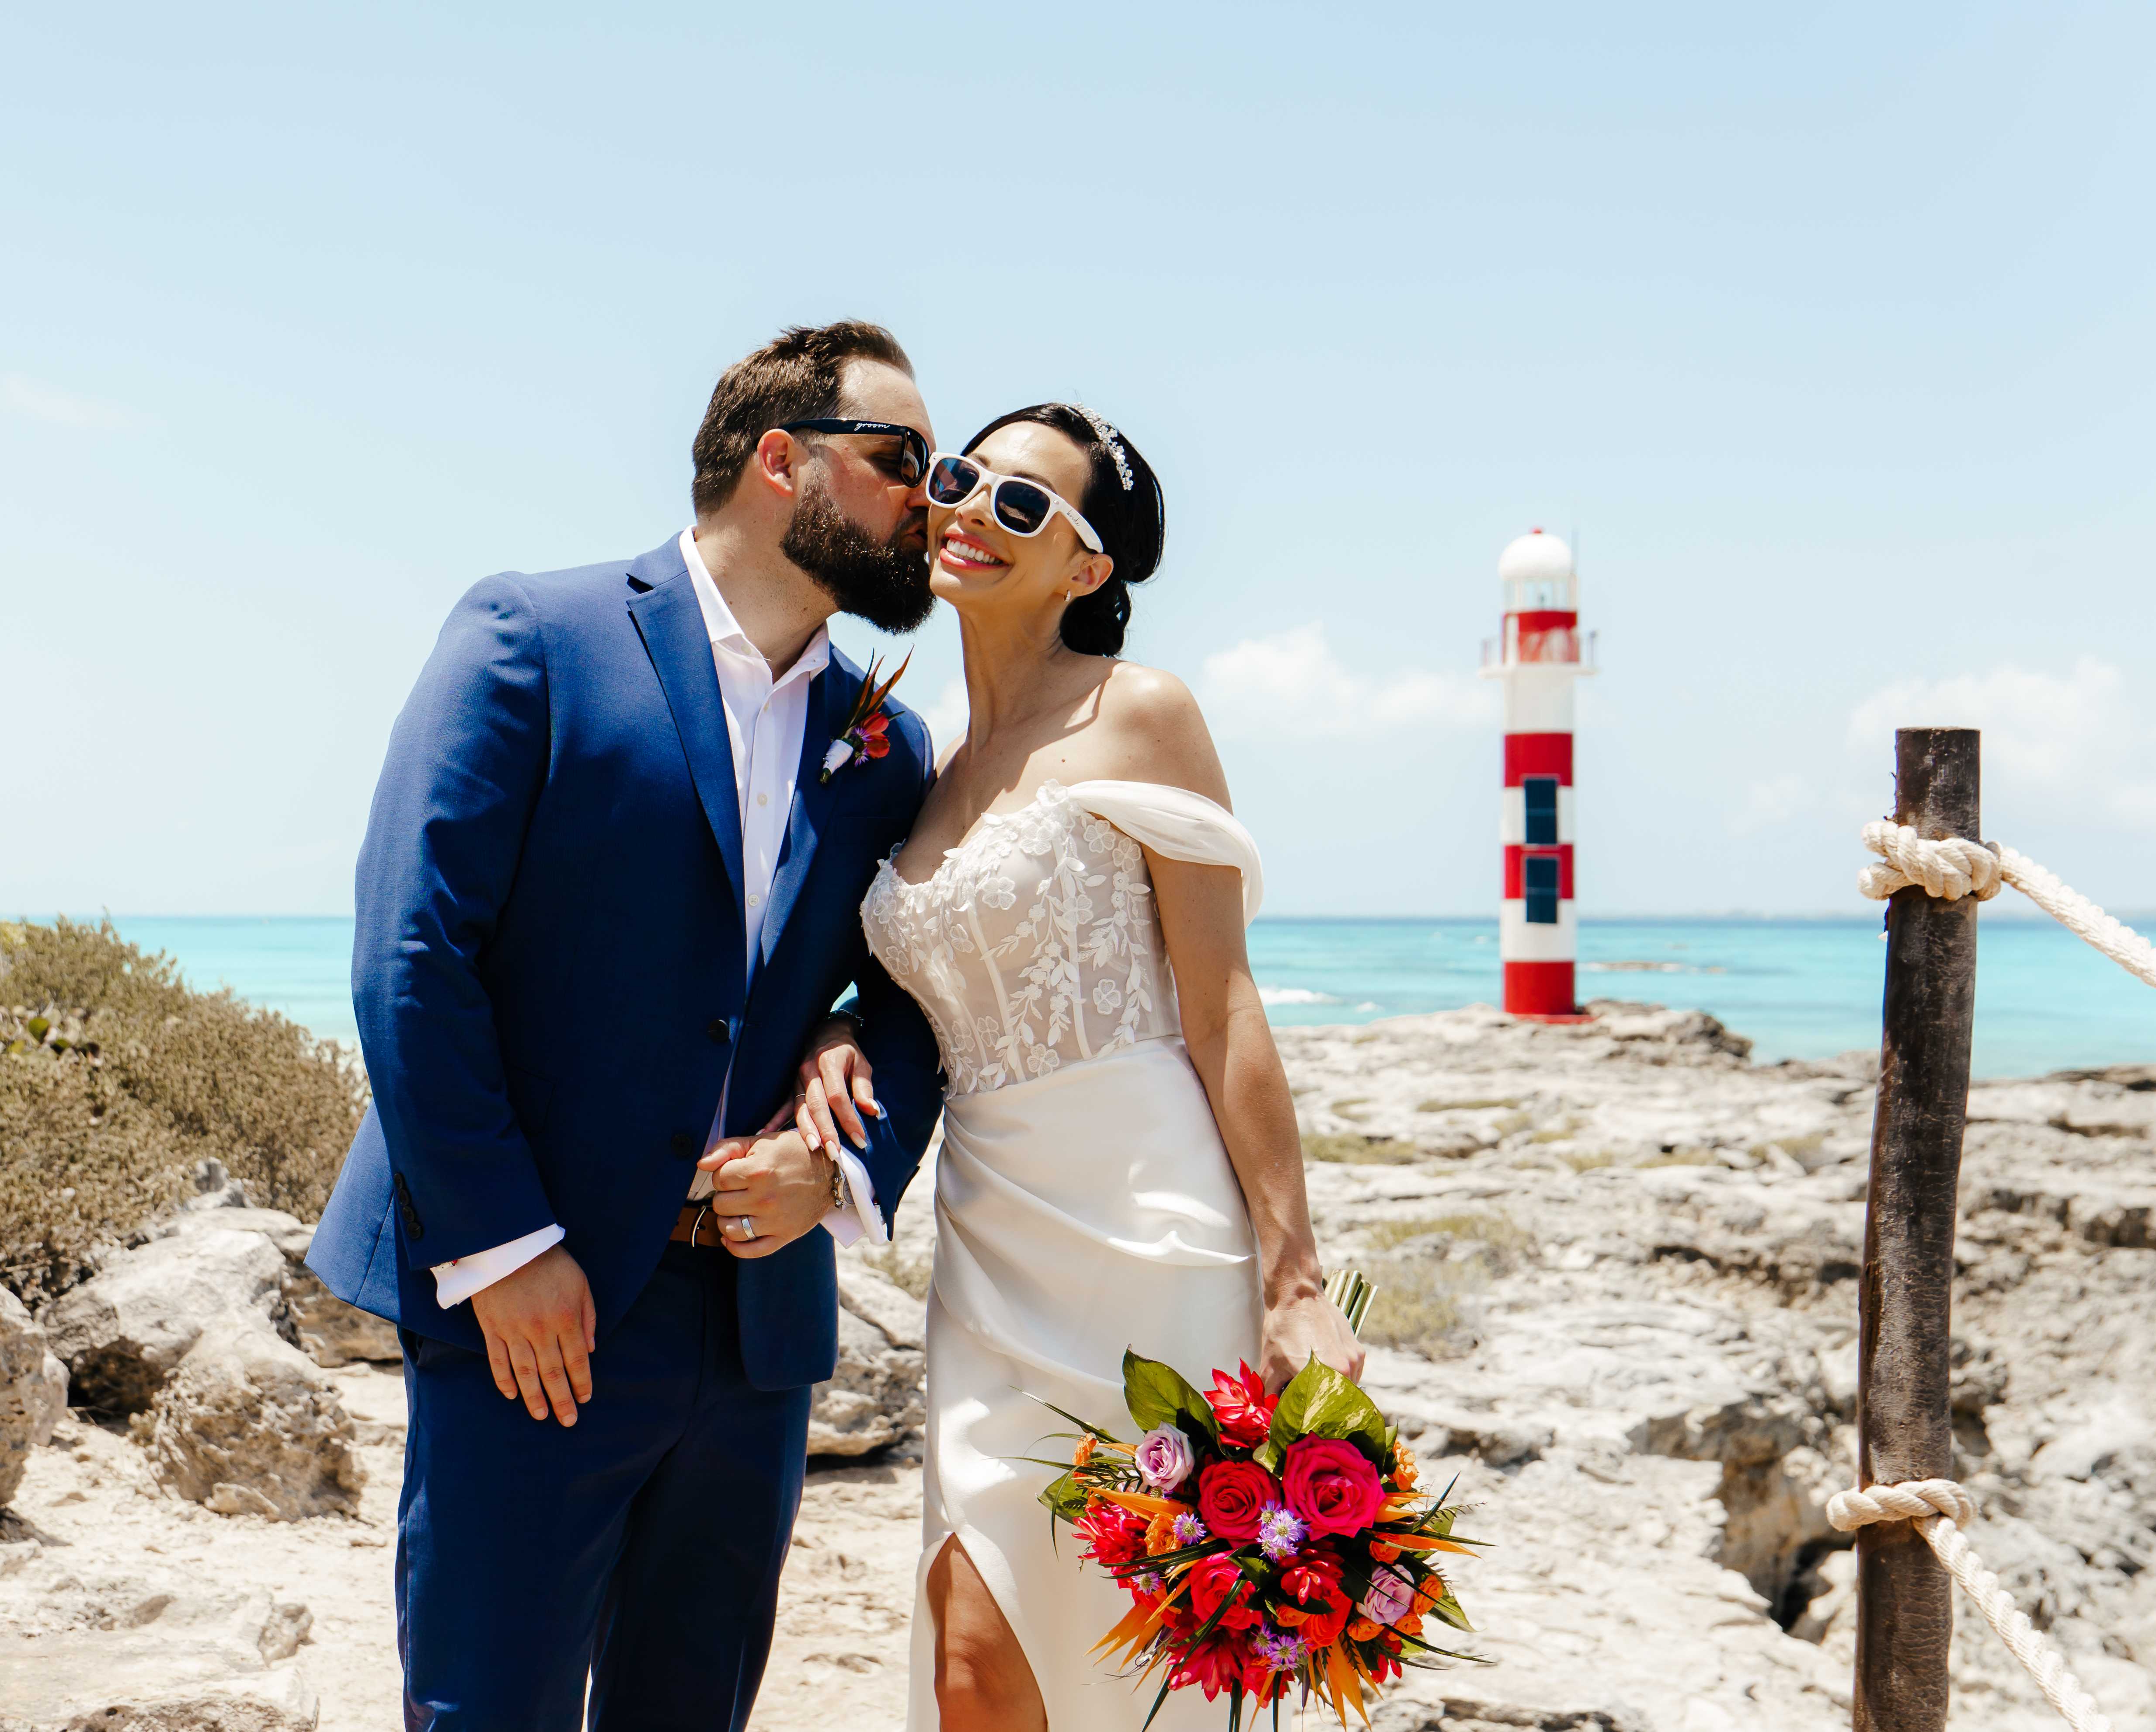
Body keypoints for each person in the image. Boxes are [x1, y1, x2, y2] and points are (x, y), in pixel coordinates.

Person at [303, 321, 949, 1731]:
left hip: (756, 1326)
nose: (933, 494)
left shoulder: (887, 742)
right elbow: (413, 948)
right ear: (782, 461)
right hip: (540, 1309)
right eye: (902, 458)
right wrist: (505, 1243)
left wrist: (841, 1161)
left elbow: (914, 990)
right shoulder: (533, 637)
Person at [844, 403, 1365, 1730]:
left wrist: (1294, 1277)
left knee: (1150, 1666)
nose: (969, 512)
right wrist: (835, 1036)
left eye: (1024, 505)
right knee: (974, 1648)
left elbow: (1225, 1006)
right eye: (962, 481)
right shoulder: (926, 765)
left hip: (1154, 1242)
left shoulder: (1143, 713)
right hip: (988, 1248)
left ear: (1090, 570)